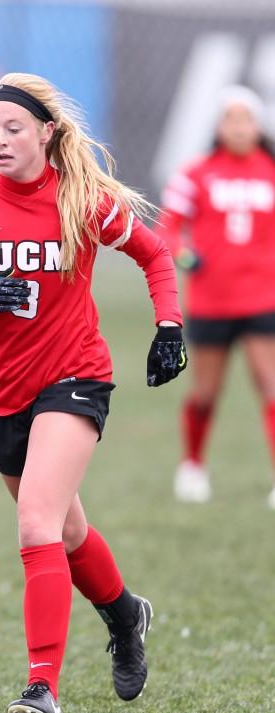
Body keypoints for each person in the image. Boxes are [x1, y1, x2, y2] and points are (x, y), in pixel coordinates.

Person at [0, 73, 187, 713]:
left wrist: (169, 326)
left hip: (75, 377)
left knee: (37, 523)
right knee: (66, 532)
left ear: (47, 132)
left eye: (14, 129)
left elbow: (155, 255)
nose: (2, 141)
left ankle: (42, 687)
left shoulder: (83, 200)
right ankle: (126, 614)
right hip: (1, 395)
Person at [158, 85, 275, 507]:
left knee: (270, 386)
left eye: (246, 119)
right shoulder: (196, 173)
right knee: (205, 392)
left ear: (258, 125)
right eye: (231, 119)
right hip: (211, 302)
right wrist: (184, 254)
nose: (239, 127)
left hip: (263, 300)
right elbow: (168, 227)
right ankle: (192, 465)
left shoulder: (270, 170)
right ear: (219, 125)